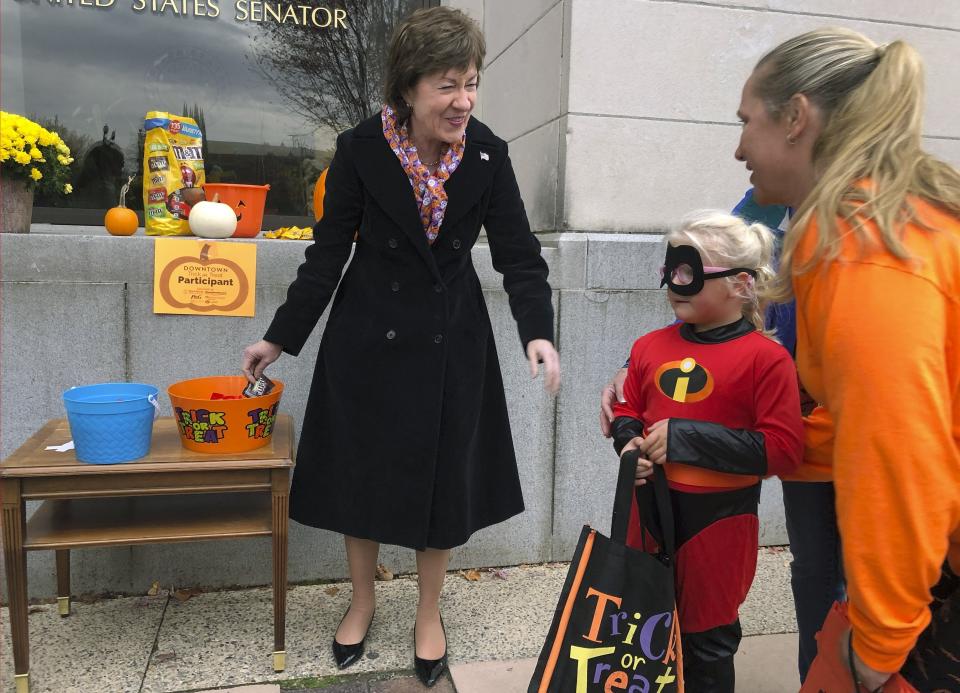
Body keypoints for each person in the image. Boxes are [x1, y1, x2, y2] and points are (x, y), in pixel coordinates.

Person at [240, 7, 560, 687]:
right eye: (448, 84)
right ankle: (362, 599)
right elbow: (327, 255)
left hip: (453, 342)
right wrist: (280, 336)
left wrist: (538, 331)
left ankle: (427, 611)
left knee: (442, 480)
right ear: (408, 87)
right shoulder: (360, 150)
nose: (464, 100)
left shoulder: (487, 154)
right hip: (368, 335)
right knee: (363, 474)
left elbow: (519, 256)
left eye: (472, 82)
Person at [735, 28, 960, 689]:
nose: (739, 146)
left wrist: (876, 646)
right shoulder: (866, 223)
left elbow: (899, 452)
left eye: (748, 121)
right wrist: (744, 446)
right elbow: (869, 420)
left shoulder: (866, 249)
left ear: (796, 118)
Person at [610, 211, 804, 691]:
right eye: (670, 271)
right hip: (649, 510)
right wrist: (629, 442)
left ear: (740, 285)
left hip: (720, 521)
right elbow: (628, 405)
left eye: (689, 273)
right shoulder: (649, 346)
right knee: (641, 627)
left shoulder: (766, 359)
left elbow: (782, 449)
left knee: (707, 639)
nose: (675, 283)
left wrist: (685, 438)